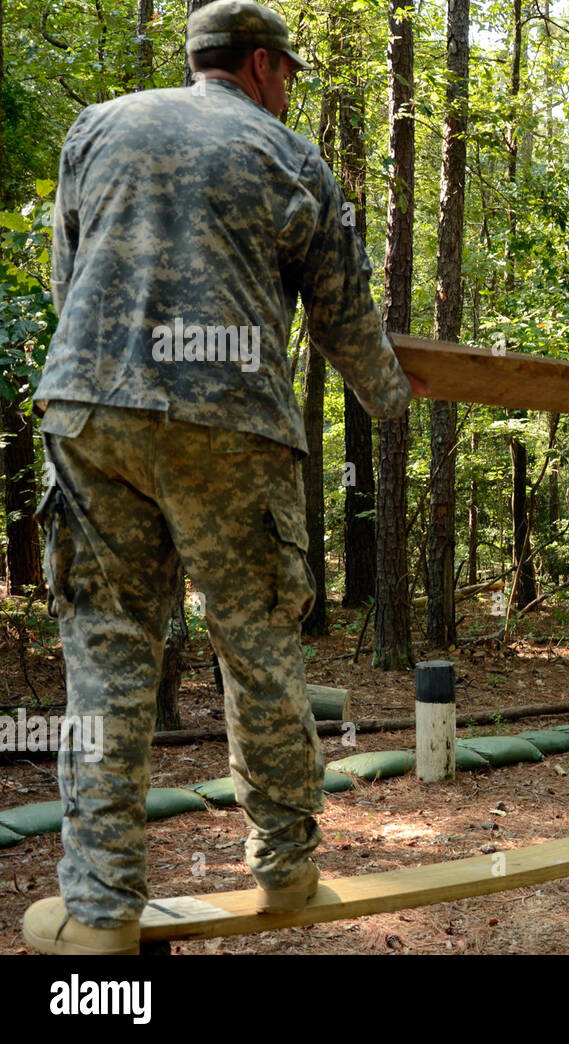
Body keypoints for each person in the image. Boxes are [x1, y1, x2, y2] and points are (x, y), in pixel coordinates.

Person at [22, 0, 426, 955]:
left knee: (107, 656)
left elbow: (66, 276)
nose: (289, 86)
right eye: (287, 69)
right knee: (256, 648)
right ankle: (285, 868)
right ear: (256, 64)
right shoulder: (291, 157)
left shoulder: (99, 126)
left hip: (89, 408)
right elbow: (343, 315)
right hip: (230, 421)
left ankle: (101, 907)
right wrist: (393, 398)